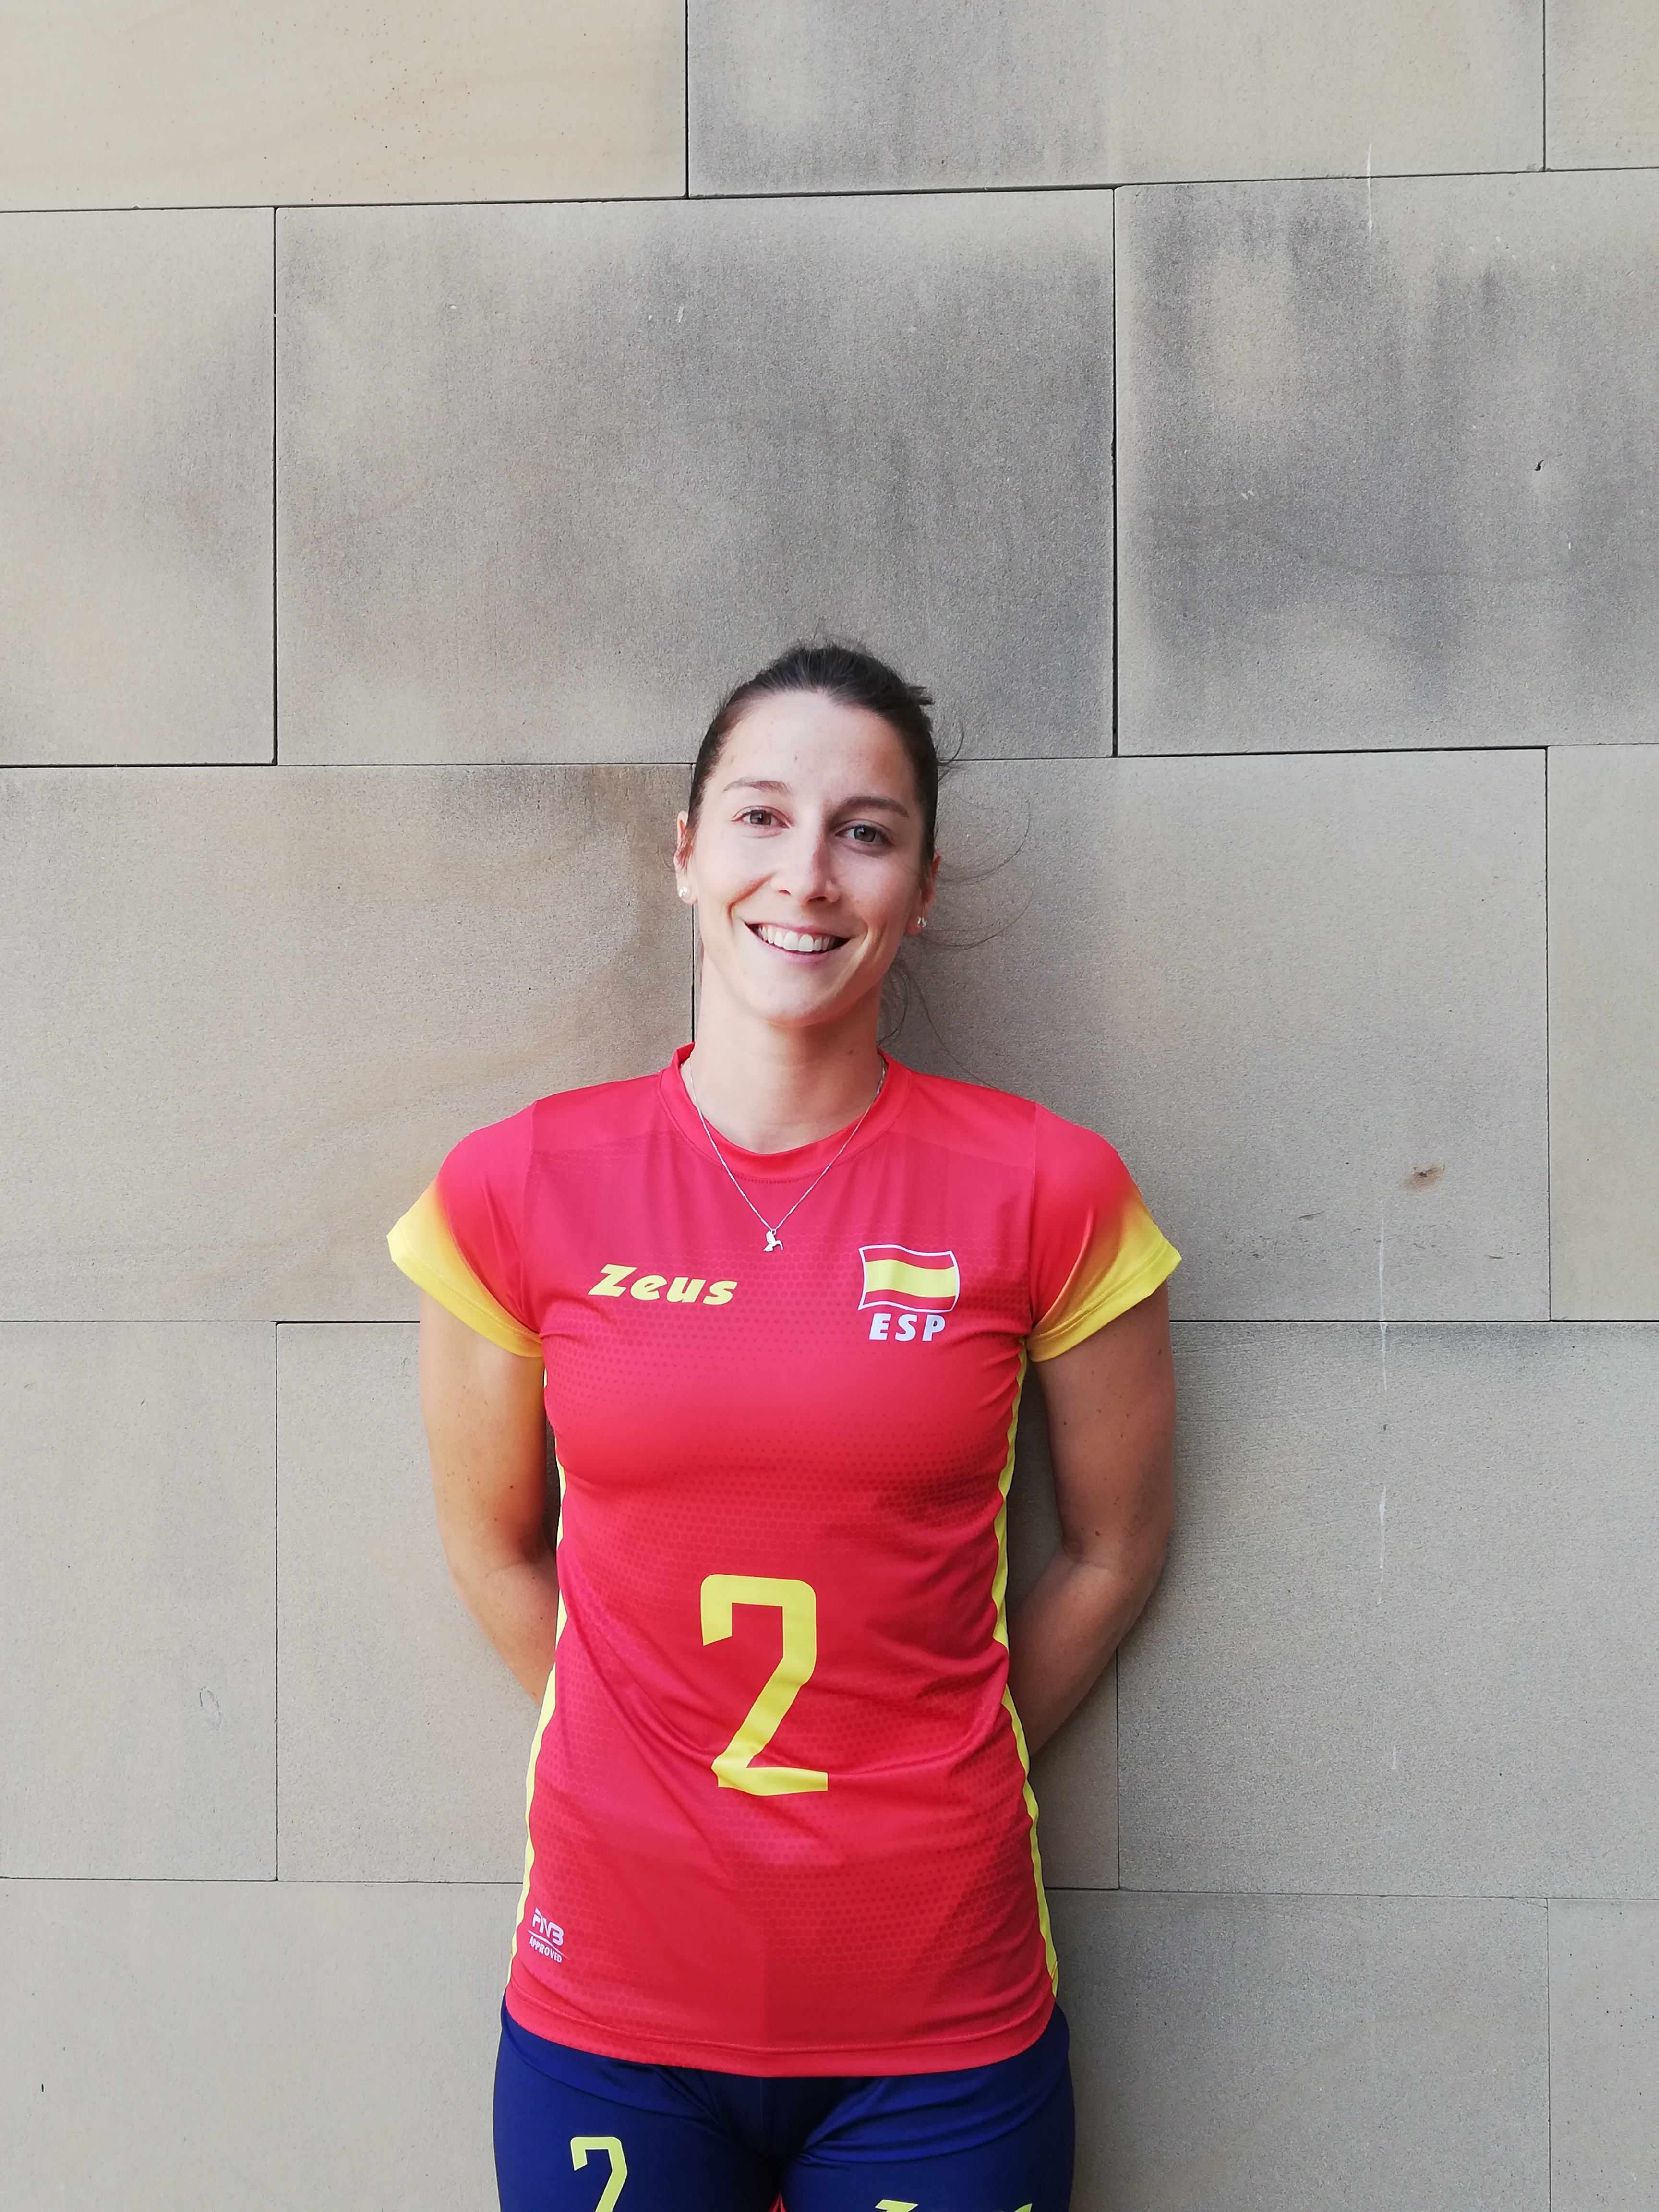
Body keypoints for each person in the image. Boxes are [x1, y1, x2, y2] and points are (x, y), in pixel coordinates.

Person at [387, 641, 1178, 2212]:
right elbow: (493, 1549)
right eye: (761, 816)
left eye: (864, 832)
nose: (806, 874)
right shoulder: (515, 1186)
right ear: (688, 851)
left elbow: (1113, 1549)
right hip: (615, 2002)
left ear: (921, 888)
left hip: (937, 2008)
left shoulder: (1049, 1189)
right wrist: (658, 1757)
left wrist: (932, 1750)